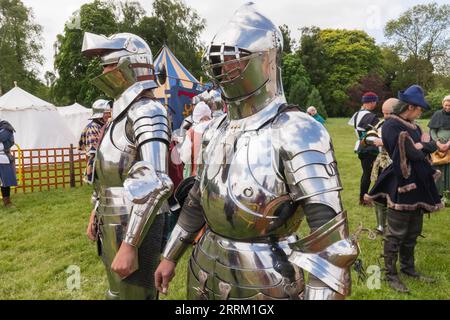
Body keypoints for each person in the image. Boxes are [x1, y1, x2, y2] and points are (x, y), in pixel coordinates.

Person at [154, 3, 358, 300]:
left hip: (268, 276)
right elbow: (200, 197)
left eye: (233, 59)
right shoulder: (216, 128)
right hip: (204, 268)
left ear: (266, 61)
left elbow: (329, 243)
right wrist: (171, 255)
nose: (223, 69)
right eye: (218, 61)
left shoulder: (297, 130)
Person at [82, 32, 173, 300]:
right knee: (117, 294)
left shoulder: (148, 111)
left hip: (137, 223)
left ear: (131, 65)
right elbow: (105, 175)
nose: (104, 71)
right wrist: (96, 212)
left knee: (136, 297)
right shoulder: (118, 116)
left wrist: (130, 244)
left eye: (109, 64)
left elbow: (156, 182)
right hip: (111, 219)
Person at [365, 85, 446, 293]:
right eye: (419, 109)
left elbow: (425, 146)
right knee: (396, 232)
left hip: (419, 184)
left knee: (413, 231)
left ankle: (408, 268)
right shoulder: (392, 125)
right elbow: (414, 153)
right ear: (410, 107)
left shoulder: (415, 127)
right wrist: (424, 145)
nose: (421, 113)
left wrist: (422, 145)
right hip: (402, 184)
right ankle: (390, 274)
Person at [363, 98, 396, 233]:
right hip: (381, 164)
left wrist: (385, 141)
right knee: (378, 194)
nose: (386, 116)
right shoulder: (381, 123)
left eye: (389, 113)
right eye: (384, 113)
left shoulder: (405, 125)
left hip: (396, 165)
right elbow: (368, 137)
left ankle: (392, 227)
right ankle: (380, 226)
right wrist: (374, 139)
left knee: (393, 195)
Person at [348, 92, 381, 206]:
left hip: (362, 147)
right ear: (371, 102)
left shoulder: (358, 114)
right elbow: (379, 131)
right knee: (372, 174)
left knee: (366, 174)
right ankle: (365, 199)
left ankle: (364, 199)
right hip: (370, 148)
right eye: (375, 102)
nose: (376, 104)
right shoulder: (369, 116)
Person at [78, 99, 111, 183]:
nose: (108, 115)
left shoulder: (104, 125)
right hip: (98, 164)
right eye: (106, 113)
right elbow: (93, 151)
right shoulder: (92, 127)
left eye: (108, 112)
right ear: (99, 114)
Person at [178, 101, 212, 178]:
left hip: (198, 177)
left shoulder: (192, 131)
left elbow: (184, 157)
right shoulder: (217, 128)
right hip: (214, 177)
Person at [427, 95, 450, 203]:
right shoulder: (437, 114)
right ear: (442, 104)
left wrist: (448, 143)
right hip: (438, 147)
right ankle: (437, 194)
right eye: (446, 105)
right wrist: (438, 143)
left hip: (449, 146)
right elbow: (432, 130)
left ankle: (447, 194)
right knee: (438, 170)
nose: (448, 107)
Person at [0, 119, 17, 207]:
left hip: (3, 158)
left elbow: (2, 137)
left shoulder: (6, 127)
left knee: (5, 182)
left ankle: (7, 202)